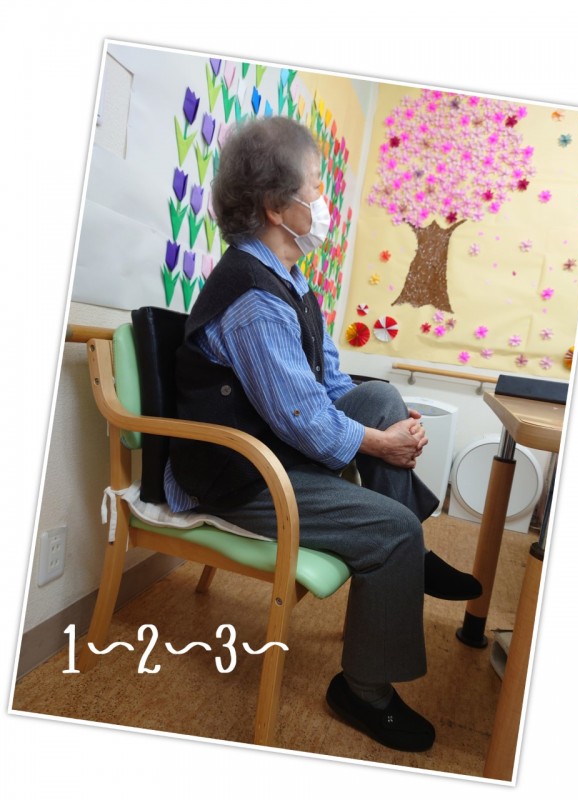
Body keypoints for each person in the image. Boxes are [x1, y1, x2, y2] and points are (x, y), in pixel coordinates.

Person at [165, 116, 481, 752]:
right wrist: (383, 444)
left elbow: (332, 383)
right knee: (394, 531)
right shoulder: (255, 299)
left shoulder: (291, 280)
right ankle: (363, 689)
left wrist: (387, 425)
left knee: (380, 396)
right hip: (242, 475)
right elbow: (301, 417)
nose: (323, 199)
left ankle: (409, 559)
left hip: (275, 447)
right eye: (314, 186)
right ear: (276, 207)